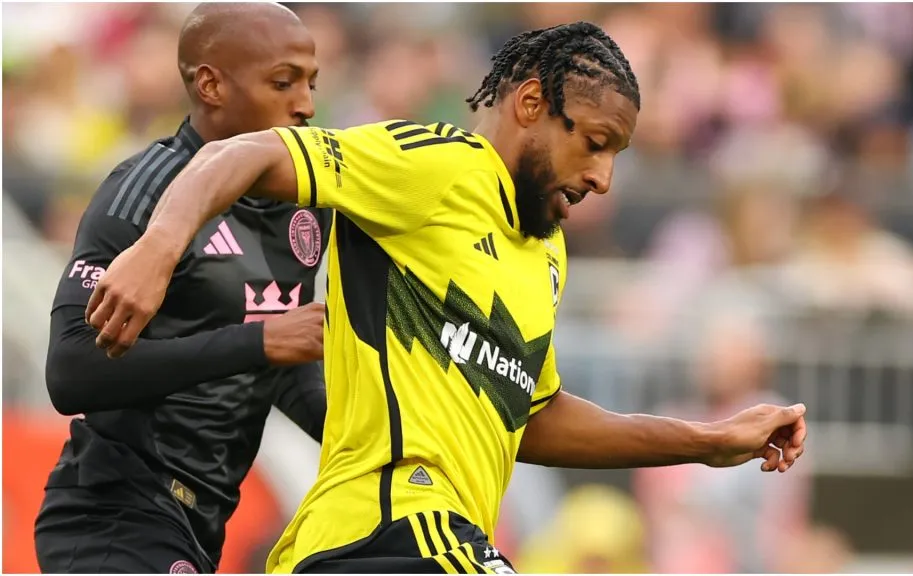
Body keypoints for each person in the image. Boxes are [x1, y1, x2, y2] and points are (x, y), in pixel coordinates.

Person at [84, 21, 809, 574]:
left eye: (615, 152)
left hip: (402, 542)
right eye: (592, 141)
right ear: (530, 104)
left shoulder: (545, 254)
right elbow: (244, 152)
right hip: (394, 521)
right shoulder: (438, 167)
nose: (603, 177)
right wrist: (157, 246)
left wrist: (707, 443)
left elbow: (534, 418)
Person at [34, 4, 330, 574]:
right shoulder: (142, 194)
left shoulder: (307, 205)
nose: (306, 105)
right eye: (283, 82)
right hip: (114, 515)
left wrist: (378, 443)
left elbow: (280, 360)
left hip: (201, 522)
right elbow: (71, 371)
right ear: (212, 85)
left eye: (311, 83)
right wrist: (259, 343)